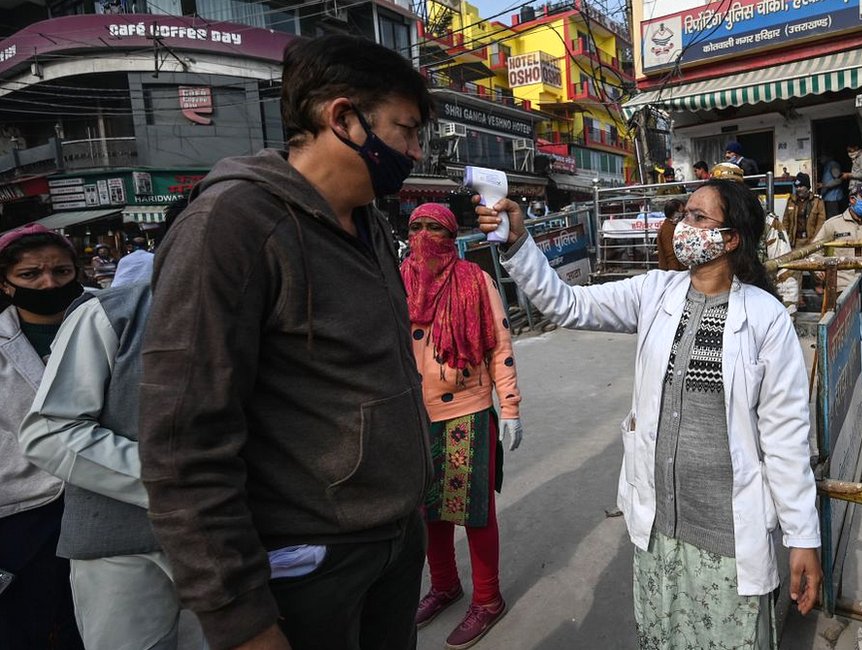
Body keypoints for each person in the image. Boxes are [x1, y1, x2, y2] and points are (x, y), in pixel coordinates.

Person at [137, 34, 434, 650]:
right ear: (344, 118)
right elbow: (182, 442)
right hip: (308, 560)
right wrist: (239, 617)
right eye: (406, 131)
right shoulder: (232, 226)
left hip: (394, 539)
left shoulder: (371, 225)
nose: (415, 151)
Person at [476, 179, 822, 650]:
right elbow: (567, 303)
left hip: (727, 534)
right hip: (659, 528)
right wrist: (518, 242)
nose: (684, 226)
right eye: (684, 215)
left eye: (699, 218)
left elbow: (785, 436)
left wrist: (802, 536)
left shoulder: (765, 318)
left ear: (731, 238)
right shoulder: (655, 291)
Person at [18, 200, 206, 650]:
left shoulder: (276, 314)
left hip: (232, 538)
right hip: (121, 545)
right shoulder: (112, 313)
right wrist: (179, 482)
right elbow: (50, 433)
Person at [400, 203, 522, 650]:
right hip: (416, 415)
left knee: (474, 513)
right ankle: (445, 585)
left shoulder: (475, 280)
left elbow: (500, 345)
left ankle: (488, 600)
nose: (424, 235)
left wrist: (509, 407)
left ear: (451, 236)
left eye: (435, 227)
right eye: (416, 227)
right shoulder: (399, 280)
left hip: (467, 410)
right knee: (429, 511)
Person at [0, 224, 84, 650]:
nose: (48, 283)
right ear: (6, 283)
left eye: (60, 271)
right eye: (30, 275)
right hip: (21, 509)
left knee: (85, 621)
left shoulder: (105, 324)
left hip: (96, 497)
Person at [710, 163, 798, 314]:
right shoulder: (703, 227)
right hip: (714, 305)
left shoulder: (766, 222)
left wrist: (787, 314)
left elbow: (784, 269)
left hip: (755, 304)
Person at [812, 183, 862, 295]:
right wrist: (819, 271)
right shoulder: (833, 225)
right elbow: (814, 251)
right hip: (841, 289)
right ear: (852, 200)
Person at [783, 172, 826, 249]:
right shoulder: (791, 201)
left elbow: (821, 224)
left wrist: (814, 241)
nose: (798, 189)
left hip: (811, 242)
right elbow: (785, 222)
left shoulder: (817, 201)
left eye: (801, 186)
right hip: (794, 243)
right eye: (796, 186)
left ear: (807, 187)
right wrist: (785, 240)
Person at [656, 198, 687, 271]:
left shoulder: (672, 226)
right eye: (681, 211)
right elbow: (670, 255)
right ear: (674, 213)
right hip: (674, 270)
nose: (683, 214)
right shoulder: (668, 229)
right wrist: (675, 272)